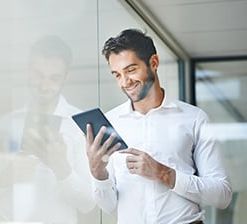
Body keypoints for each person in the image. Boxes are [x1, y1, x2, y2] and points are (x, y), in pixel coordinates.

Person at [85, 29, 232, 224]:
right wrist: (98, 173)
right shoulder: (111, 123)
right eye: (117, 75)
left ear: (153, 63)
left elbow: (222, 195)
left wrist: (164, 173)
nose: (125, 82)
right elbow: (109, 206)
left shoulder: (194, 119)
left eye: (131, 70)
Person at [0, 35, 95, 223]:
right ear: (28, 72)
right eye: (38, 75)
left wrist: (62, 168)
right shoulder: (6, 124)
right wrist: (6, 177)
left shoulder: (80, 127)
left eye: (54, 78)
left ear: (66, 78)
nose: (45, 86)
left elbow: (88, 204)